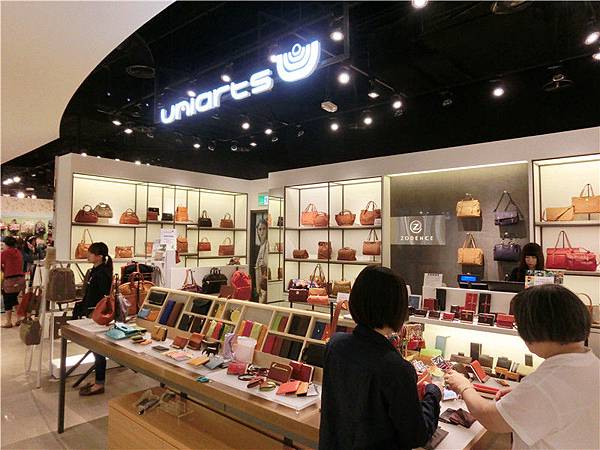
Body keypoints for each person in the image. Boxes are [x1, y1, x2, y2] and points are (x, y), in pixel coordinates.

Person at [445, 284, 599, 450]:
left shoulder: (543, 385)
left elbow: (491, 418)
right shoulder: (591, 363)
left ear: (535, 329)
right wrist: (522, 398)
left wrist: (464, 386)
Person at [320, 266, 441, 450]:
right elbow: (417, 435)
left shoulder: (335, 345)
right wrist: (434, 392)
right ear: (397, 308)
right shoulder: (395, 367)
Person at [75, 242, 113, 396]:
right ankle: (98, 380)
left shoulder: (102, 273)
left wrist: (96, 312)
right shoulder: (95, 271)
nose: (88, 255)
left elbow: (103, 297)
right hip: (92, 313)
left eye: (91, 253)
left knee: (98, 349)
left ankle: (99, 383)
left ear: (99, 256)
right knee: (95, 348)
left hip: (97, 315)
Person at [1, 236, 24, 328]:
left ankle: (8, 322)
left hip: (10, 280)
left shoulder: (5, 253)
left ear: (6, 244)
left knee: (7, 300)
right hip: (20, 280)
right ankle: (19, 318)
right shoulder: (18, 252)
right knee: (14, 299)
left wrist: (4, 270)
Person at [254, 218, 269, 303]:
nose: (262, 232)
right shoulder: (262, 245)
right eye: (260, 229)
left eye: (264, 229)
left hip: (265, 283)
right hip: (261, 282)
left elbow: (265, 264)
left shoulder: (267, 244)